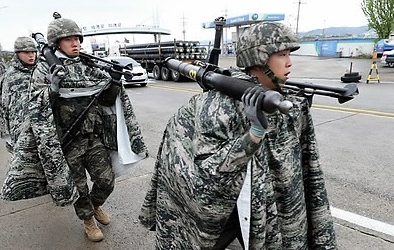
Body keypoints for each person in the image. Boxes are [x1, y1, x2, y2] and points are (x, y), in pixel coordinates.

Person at [139, 21, 336, 249]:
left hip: (268, 207)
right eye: (282, 55)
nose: (289, 62)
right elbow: (208, 169)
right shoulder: (216, 106)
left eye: (289, 54)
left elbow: (303, 165)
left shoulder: (287, 101)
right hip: (227, 208)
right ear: (259, 58)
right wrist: (253, 135)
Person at [8, 13, 148, 242]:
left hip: (93, 137)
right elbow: (35, 106)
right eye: (69, 39)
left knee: (106, 180)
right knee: (79, 187)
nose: (76, 43)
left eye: (77, 38)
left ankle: (95, 205)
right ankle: (87, 219)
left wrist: (113, 82)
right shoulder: (45, 69)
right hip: (66, 140)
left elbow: (105, 101)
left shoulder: (88, 64)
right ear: (56, 43)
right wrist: (53, 87)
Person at [0, 36, 37, 151]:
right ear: (17, 53)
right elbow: (3, 105)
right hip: (20, 132)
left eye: (33, 52)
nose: (31, 55)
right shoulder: (12, 76)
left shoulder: (39, 71)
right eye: (27, 52)